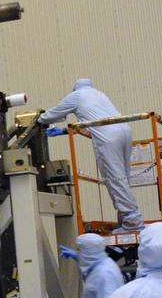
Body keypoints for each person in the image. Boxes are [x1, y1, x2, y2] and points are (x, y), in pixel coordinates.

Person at [39, 80, 143, 232]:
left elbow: (53, 114)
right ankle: (126, 219)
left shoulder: (77, 95)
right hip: (125, 131)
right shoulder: (100, 95)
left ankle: (132, 222)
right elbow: (91, 123)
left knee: (114, 177)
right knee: (124, 177)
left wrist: (39, 120)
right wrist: (64, 131)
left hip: (109, 137)